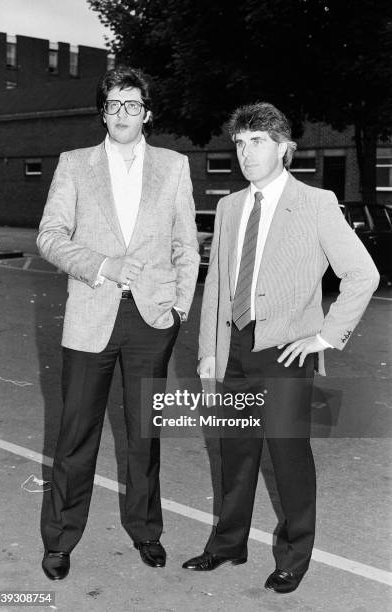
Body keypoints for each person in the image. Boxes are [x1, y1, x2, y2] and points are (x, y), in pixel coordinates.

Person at [182, 102, 379, 593]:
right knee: (235, 451)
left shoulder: (315, 202)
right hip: (235, 348)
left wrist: (326, 337)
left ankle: (295, 554)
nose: (247, 153)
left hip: (287, 353)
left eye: (258, 142)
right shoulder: (229, 207)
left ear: (284, 148)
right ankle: (227, 544)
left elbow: (363, 274)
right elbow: (220, 287)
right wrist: (210, 349)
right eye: (241, 143)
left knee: (288, 457)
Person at [38, 66, 199, 580]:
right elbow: (50, 235)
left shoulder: (173, 166)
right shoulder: (74, 165)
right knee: (75, 433)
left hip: (152, 318)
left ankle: (147, 530)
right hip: (92, 312)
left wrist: (179, 307)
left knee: (142, 435)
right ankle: (61, 539)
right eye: (113, 105)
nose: (122, 114)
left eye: (132, 105)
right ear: (103, 112)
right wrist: (101, 266)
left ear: (147, 113)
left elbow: (186, 244)